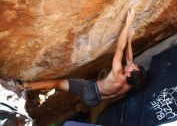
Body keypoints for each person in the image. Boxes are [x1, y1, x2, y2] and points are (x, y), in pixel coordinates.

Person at [19, 8, 147, 107]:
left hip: (90, 90)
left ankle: (24, 86)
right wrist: (130, 38)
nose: (132, 64)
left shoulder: (117, 73)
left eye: (133, 67)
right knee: (71, 86)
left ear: (129, 74)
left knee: (57, 83)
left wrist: (128, 24)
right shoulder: (131, 84)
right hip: (95, 101)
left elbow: (120, 48)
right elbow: (129, 59)